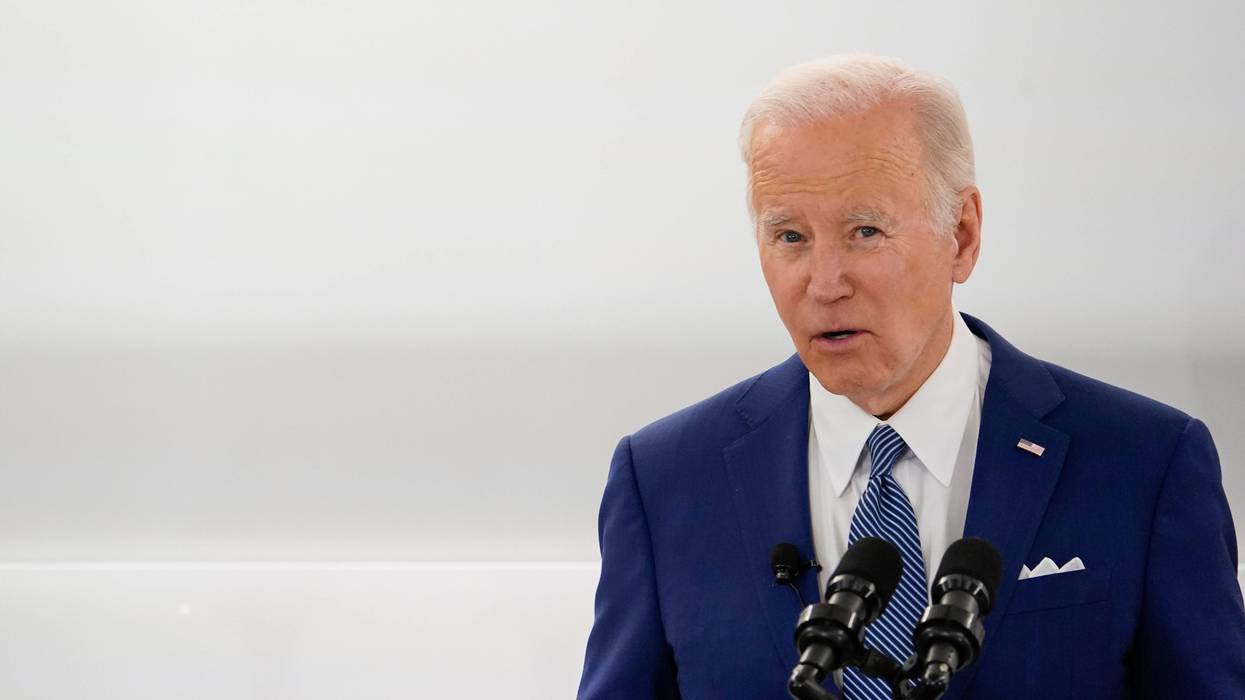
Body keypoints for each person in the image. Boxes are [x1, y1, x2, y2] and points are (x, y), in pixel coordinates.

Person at [576, 54, 1245, 699]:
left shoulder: (1143, 465)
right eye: (789, 237)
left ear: (961, 234)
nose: (825, 283)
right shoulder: (664, 481)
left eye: (864, 231)